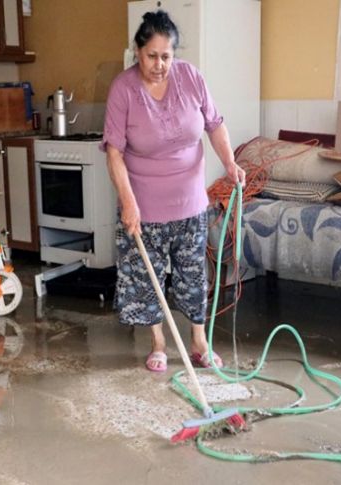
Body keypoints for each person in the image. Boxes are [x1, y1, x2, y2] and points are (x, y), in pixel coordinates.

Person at [100, 10, 246, 372]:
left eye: (167, 56)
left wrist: (229, 162)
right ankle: (159, 343)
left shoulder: (191, 78)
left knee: (193, 273)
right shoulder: (123, 89)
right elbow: (114, 152)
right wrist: (129, 202)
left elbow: (215, 125)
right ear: (138, 51)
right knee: (149, 278)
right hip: (144, 205)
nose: (160, 64)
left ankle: (198, 341)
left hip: (190, 201)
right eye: (152, 56)